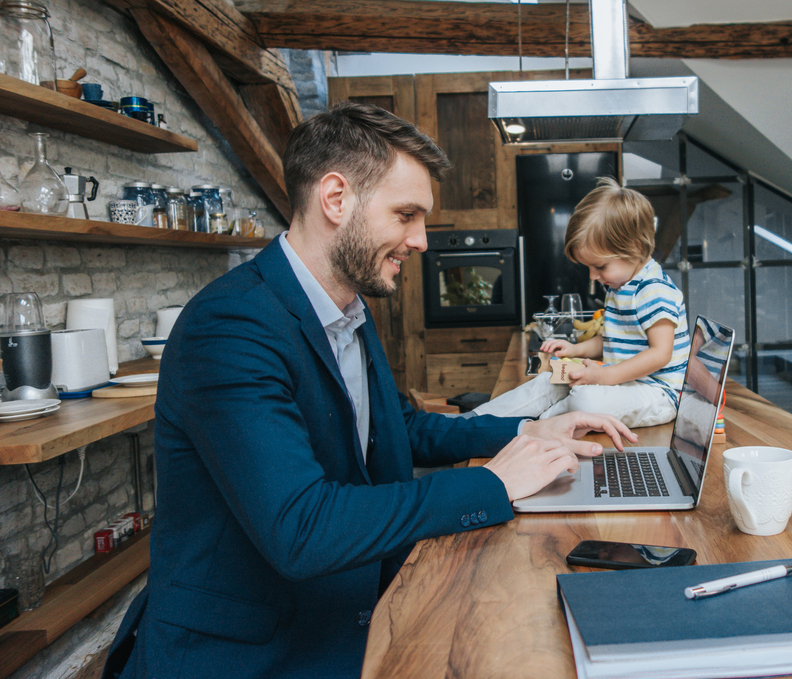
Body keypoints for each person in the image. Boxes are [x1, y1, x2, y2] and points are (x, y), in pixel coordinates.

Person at [101, 102, 635, 679]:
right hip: (251, 655)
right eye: (406, 215)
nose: (423, 241)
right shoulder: (231, 327)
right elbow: (302, 527)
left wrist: (528, 432)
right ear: (336, 199)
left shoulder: (345, 306)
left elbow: (397, 430)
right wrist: (493, 482)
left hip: (348, 612)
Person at [474, 177, 689, 428]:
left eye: (600, 266)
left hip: (658, 394)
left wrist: (604, 375)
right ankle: (475, 421)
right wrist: (574, 349)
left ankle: (535, 427)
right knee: (551, 377)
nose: (593, 276)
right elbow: (611, 338)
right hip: (622, 384)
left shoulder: (654, 290)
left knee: (586, 399)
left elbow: (660, 354)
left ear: (635, 248)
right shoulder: (620, 284)